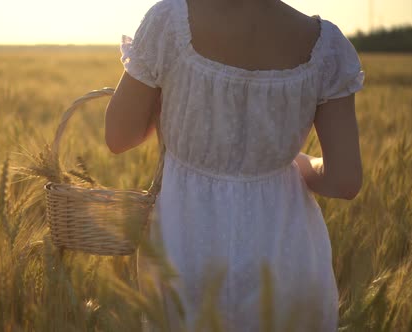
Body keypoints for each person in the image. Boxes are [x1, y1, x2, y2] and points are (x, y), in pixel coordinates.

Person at [104, 0, 364, 330]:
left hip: (187, 245)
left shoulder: (169, 21)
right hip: (286, 254)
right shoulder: (327, 46)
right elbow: (344, 181)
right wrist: (289, 163)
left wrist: (168, 103)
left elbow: (118, 136)